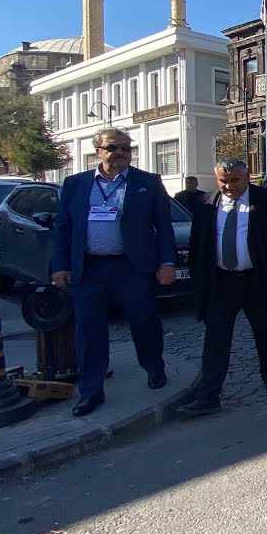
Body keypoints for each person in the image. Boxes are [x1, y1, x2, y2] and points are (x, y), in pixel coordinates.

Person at [51, 128, 176, 416]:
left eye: (126, 148)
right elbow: (63, 227)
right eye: (113, 148)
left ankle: (154, 367)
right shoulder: (75, 184)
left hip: (132, 267)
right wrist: (60, 265)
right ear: (98, 152)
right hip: (90, 268)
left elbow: (164, 226)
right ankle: (91, 390)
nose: (120, 153)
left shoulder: (147, 182)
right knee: (89, 330)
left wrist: (167, 262)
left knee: (144, 322)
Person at [178, 159, 267, 416]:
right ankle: (209, 395)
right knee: (215, 337)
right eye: (223, 181)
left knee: (266, 333)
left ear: (247, 177)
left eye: (234, 181)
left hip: (257, 279)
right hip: (221, 281)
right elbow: (198, 245)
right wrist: (199, 280)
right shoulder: (206, 203)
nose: (228, 186)